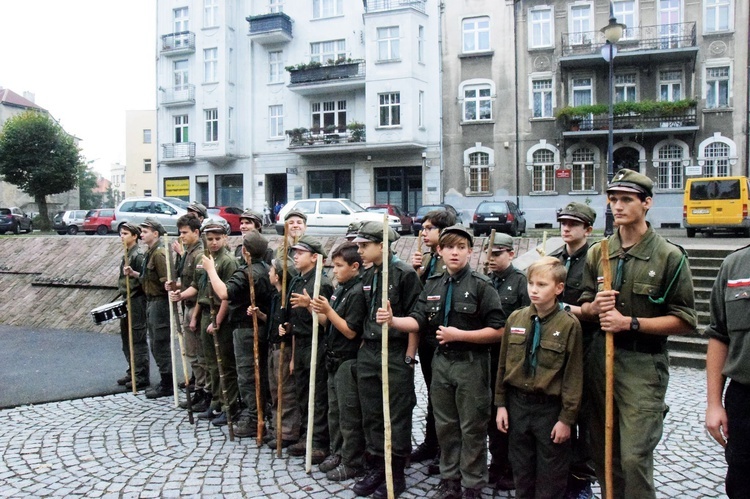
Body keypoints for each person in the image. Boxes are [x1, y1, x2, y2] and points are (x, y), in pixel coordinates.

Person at [578, 169, 697, 499]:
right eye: (613, 199)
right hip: (600, 362)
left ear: (647, 203)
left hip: (643, 367)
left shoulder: (669, 256)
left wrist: (630, 323)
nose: (617, 206)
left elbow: (686, 320)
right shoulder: (598, 252)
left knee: (634, 458)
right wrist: (594, 307)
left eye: (626, 200)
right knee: (603, 455)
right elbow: (585, 307)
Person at [387, 225, 503, 499]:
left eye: (461, 247)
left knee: (472, 426)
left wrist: (460, 334)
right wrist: (392, 321)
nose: (455, 252)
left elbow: (499, 330)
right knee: (446, 425)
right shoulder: (433, 284)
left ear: (470, 252)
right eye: (449, 247)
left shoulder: (481, 285)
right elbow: (418, 319)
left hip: (471, 364)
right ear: (439, 250)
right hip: (442, 364)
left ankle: (473, 483)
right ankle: (449, 479)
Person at [496, 256, 583, 499]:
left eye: (542, 285)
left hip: (549, 411)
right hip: (518, 406)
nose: (534, 290)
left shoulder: (569, 325)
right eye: (531, 283)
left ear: (559, 288)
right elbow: (503, 366)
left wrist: (567, 419)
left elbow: (573, 376)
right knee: (521, 473)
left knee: (551, 477)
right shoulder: (516, 318)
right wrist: (501, 405)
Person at [352, 221, 422, 499]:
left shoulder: (404, 274)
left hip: (394, 351)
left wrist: (409, 357)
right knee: (371, 412)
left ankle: (396, 472)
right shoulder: (370, 274)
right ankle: (378, 466)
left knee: (395, 414)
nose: (359, 250)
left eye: (364, 245)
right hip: (369, 350)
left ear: (381, 245)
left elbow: (417, 319)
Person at [548, 202, 598, 498]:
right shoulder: (555, 259)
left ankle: (581, 481)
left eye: (573, 224)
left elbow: (598, 309)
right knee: (557, 411)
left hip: (586, 344)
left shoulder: (595, 260)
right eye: (563, 222)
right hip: (555, 346)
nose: (566, 228)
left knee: (584, 415)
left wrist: (566, 308)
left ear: (587, 229)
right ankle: (558, 476)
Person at [204, 229, 272, 439]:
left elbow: (224, 292)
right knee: (259, 373)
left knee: (248, 375)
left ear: (245, 251)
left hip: (246, 329)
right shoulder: (268, 270)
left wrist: (210, 270)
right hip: (261, 328)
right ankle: (260, 412)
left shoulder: (246, 273)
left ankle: (254, 418)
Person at [311, 242, 367, 480]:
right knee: (334, 412)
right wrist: (314, 309)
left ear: (355, 267)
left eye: (339, 266)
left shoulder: (357, 292)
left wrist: (329, 311)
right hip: (333, 358)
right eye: (333, 266)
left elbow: (351, 331)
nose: (334, 270)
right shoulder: (340, 288)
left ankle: (352, 460)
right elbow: (328, 324)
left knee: (349, 414)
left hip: (348, 359)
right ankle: (338, 451)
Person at [409, 209, 456, 470]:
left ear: (443, 231)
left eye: (429, 228)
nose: (424, 232)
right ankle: (431, 442)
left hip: (445, 338)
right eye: (423, 228)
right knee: (432, 393)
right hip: (427, 337)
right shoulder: (428, 259)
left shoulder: (449, 260)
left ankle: (445, 449)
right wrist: (417, 271)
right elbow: (421, 298)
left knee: (444, 397)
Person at [282, 235, 334, 464]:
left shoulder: (321, 283)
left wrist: (310, 305)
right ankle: (307, 433)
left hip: (317, 342)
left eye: (300, 253)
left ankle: (320, 441)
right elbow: (294, 321)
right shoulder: (295, 280)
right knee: (303, 392)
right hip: (300, 342)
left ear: (314, 257)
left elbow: (326, 321)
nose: (295, 256)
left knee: (318, 394)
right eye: (294, 252)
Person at [704, 244, 750, 499]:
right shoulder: (735, 265)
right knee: (742, 483)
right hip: (744, 401)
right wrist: (713, 403)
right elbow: (719, 336)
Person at [486, 232, 530, 490]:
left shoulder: (520, 281)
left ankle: (515, 468)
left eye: (498, 253)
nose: (492, 258)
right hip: (490, 358)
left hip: (513, 358)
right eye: (490, 253)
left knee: (513, 418)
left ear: (511, 254)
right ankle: (497, 462)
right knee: (494, 415)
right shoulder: (486, 280)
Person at [192, 219, 240, 426]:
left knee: (225, 364)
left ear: (225, 238)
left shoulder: (227, 261)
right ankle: (216, 400)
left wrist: (218, 321)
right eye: (210, 239)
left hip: (220, 315)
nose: (213, 242)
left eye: (217, 239)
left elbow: (227, 297)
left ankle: (229, 405)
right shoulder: (206, 259)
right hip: (205, 312)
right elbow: (199, 288)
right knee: (211, 363)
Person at [123, 218, 173, 399]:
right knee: (155, 342)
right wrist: (135, 274)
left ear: (156, 234)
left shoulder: (159, 254)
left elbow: (165, 281)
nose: (142, 235)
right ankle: (164, 379)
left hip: (159, 302)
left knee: (160, 342)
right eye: (141, 232)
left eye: (145, 232)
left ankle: (168, 382)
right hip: (151, 301)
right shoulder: (150, 252)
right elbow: (147, 278)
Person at [168, 213, 209, 411]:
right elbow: (186, 282)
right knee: (192, 354)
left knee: (199, 355)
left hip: (196, 308)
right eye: (180, 232)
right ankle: (200, 390)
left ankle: (205, 392)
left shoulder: (199, 254)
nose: (181, 236)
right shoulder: (188, 253)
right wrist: (174, 286)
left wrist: (181, 295)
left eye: (185, 232)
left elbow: (199, 287)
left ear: (196, 232)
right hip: (188, 305)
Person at [265, 258, 301, 449]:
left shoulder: (287, 298)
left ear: (278, 276)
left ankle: (288, 431)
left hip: (284, 350)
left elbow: (293, 326)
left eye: (271, 270)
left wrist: (287, 329)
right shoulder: (275, 297)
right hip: (273, 347)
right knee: (275, 390)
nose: (268, 273)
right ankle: (276, 427)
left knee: (285, 392)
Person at [116, 222, 149, 391]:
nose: (122, 237)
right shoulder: (127, 253)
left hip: (136, 300)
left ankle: (141, 375)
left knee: (137, 337)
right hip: (127, 298)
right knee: (126, 338)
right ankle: (132, 369)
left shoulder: (138, 255)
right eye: (121, 233)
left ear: (135, 236)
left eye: (126, 234)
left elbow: (143, 279)